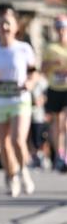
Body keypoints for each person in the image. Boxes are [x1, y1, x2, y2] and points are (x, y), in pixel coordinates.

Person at [0, 4, 36, 197]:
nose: (4, 27)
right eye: (1, 24)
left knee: (18, 140)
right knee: (3, 144)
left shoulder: (24, 49)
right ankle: (12, 177)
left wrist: (29, 83)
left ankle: (23, 170)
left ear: (16, 27)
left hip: (20, 98)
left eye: (8, 24)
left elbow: (33, 72)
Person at [42, 15, 67, 171]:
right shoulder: (50, 48)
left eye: (63, 28)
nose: (61, 31)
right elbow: (42, 69)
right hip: (54, 88)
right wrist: (53, 64)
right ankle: (59, 154)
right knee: (57, 123)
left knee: (65, 123)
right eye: (58, 28)